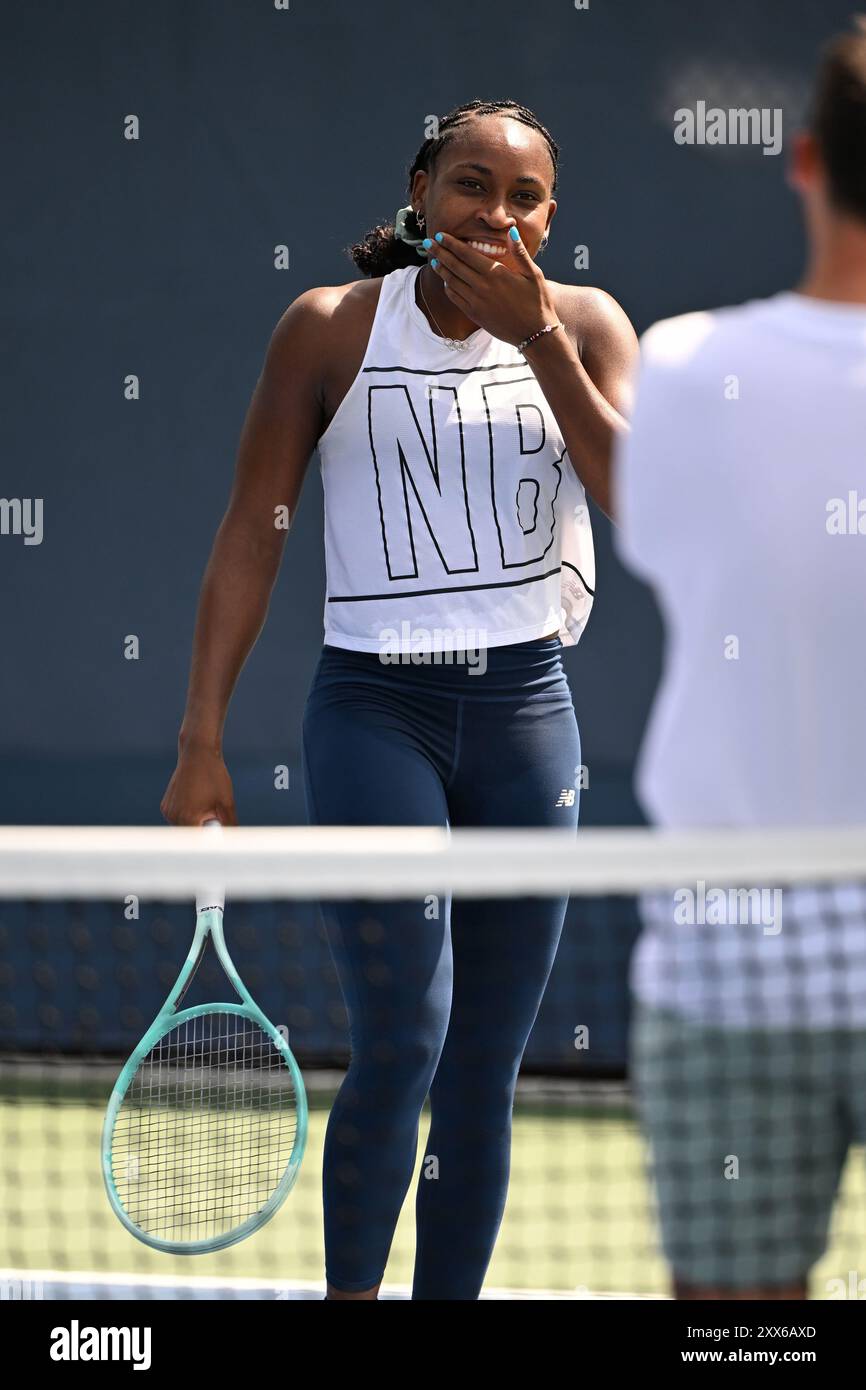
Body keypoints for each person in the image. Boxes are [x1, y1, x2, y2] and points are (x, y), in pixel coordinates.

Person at [162, 98, 637, 1299]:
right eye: (471, 184)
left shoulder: (585, 324)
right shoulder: (326, 330)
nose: (497, 213)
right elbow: (251, 533)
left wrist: (538, 343)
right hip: (375, 710)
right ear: (420, 190)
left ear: (549, 218)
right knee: (404, 1040)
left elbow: (640, 501)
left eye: (523, 195)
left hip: (528, 717)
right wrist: (201, 735)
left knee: (482, 1068)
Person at [615, 25, 866, 1300]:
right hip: (734, 965)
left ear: (805, 159)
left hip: (731, 968)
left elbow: (656, 536)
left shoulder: (682, 367)